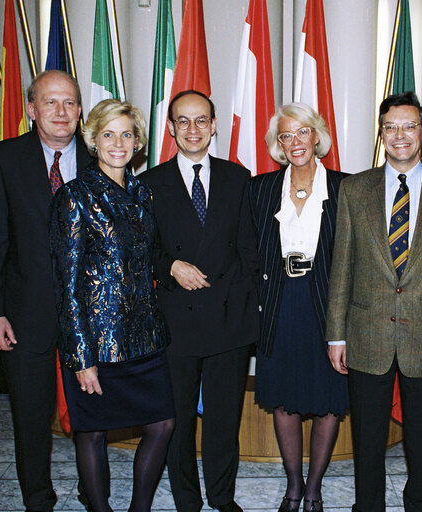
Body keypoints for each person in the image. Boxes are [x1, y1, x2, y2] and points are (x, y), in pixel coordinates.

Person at [325, 91, 422, 512]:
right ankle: (367, 505)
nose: (400, 135)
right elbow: (342, 268)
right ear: (381, 133)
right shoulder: (355, 189)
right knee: (367, 437)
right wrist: (336, 333)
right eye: (391, 127)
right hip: (366, 334)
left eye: (410, 126)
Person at [0, 70, 92, 512]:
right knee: (29, 415)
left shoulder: (104, 157)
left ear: (80, 110)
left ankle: (93, 490)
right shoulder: (4, 160)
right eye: (50, 102)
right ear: (31, 109)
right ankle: (38, 499)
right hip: (25, 314)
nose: (61, 112)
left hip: (91, 316)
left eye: (69, 103)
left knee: (92, 413)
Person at [49, 99, 175, 512]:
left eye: (126, 134)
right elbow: (66, 285)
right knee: (92, 431)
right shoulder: (75, 196)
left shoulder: (143, 192)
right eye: (108, 134)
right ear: (92, 140)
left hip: (146, 338)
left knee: (163, 423)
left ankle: (140, 508)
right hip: (97, 342)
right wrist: (81, 356)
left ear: (137, 141)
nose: (118, 143)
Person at [139, 90, 259, 512]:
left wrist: (244, 306)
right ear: (171, 129)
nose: (193, 129)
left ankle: (223, 498)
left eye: (201, 120)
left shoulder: (238, 178)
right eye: (183, 121)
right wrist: (170, 265)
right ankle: (186, 500)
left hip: (230, 321)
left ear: (213, 126)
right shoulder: (149, 184)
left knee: (224, 421)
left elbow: (250, 250)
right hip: (174, 322)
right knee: (178, 421)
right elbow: (142, 250)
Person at [249, 103, 349, 512]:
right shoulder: (260, 189)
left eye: (302, 132)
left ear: (317, 136)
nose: (295, 142)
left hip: (328, 304)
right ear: (278, 143)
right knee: (283, 398)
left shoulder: (346, 187)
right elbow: (249, 251)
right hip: (279, 304)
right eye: (286, 136)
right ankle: (293, 486)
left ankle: (314, 489)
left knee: (328, 397)